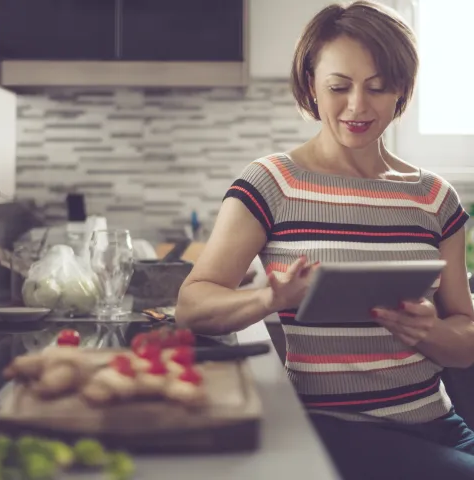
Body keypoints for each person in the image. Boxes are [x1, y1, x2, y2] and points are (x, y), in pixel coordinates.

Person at [176, 1, 474, 478]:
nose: (358, 106)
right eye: (339, 86)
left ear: (401, 91)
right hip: (338, 431)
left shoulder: (435, 197)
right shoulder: (272, 182)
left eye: (378, 87)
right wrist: (267, 298)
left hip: (440, 425)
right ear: (310, 85)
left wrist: (432, 332)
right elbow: (192, 306)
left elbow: (467, 337)